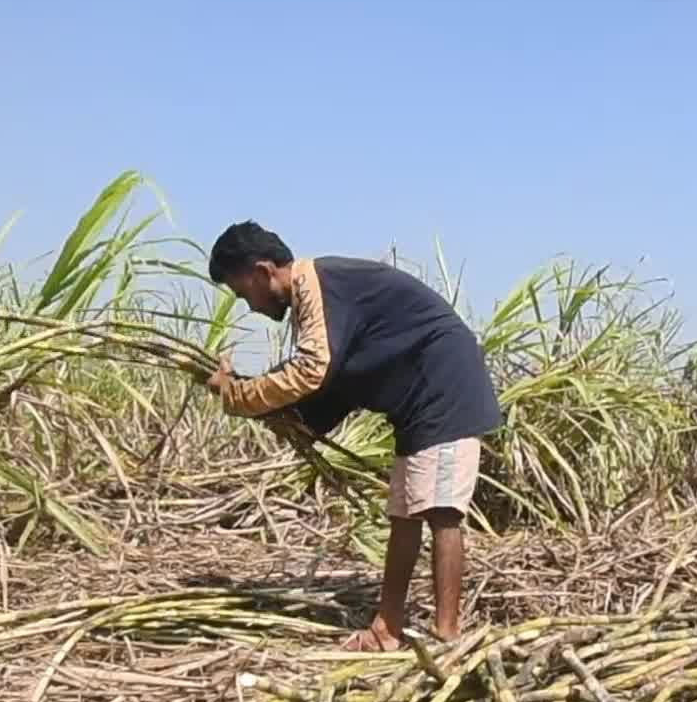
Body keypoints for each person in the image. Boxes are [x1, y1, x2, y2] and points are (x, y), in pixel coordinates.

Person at [202, 221, 502, 652]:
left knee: (440, 511)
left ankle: (448, 635)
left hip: (445, 390)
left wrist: (239, 394)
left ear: (264, 271)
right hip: (419, 404)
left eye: (242, 291)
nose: (249, 305)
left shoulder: (322, 285)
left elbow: (312, 370)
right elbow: (332, 384)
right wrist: (275, 413)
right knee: (405, 513)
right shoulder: (317, 300)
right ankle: (387, 629)